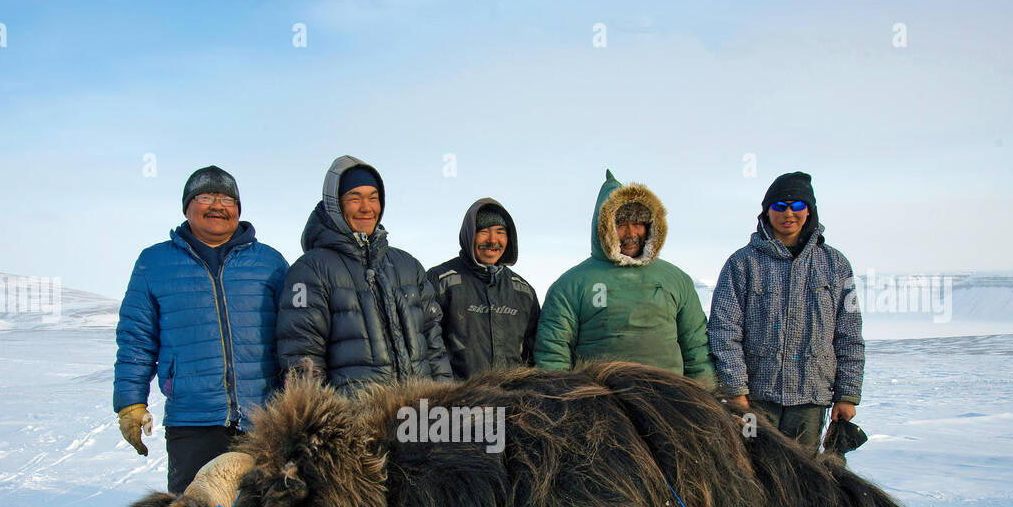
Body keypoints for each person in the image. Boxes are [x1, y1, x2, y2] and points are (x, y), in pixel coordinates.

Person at [114, 165, 288, 493]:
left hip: (264, 417)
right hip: (192, 420)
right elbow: (136, 339)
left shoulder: (270, 262)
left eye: (227, 199)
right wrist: (130, 402)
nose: (217, 206)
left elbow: (295, 333)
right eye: (205, 197)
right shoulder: (155, 263)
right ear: (187, 207)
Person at [707, 171, 864, 451]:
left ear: (809, 211)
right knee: (751, 472)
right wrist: (735, 392)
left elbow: (849, 335)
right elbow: (723, 329)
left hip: (810, 402)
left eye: (797, 206)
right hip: (755, 400)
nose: (788, 213)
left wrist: (847, 395)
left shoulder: (836, 265)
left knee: (804, 480)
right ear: (767, 212)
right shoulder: (742, 264)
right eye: (779, 206)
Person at [276, 156, 452, 391]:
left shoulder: (408, 266)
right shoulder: (310, 270)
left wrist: (447, 404)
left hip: (419, 417)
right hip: (357, 422)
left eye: (373, 198)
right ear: (336, 204)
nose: (366, 208)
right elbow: (302, 357)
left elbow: (434, 347)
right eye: (354, 198)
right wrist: (322, 423)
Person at [532, 170, 715, 388]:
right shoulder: (570, 285)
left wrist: (703, 400)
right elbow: (553, 354)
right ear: (603, 227)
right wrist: (562, 403)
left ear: (650, 226)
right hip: (600, 404)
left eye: (637, 223)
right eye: (620, 224)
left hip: (669, 403)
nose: (631, 233)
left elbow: (696, 348)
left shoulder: (676, 280)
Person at [427, 198, 540, 378]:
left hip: (511, 401)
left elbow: (532, 357)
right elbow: (426, 347)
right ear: (469, 235)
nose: (493, 240)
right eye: (484, 231)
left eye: (500, 232)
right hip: (457, 401)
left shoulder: (523, 292)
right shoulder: (440, 282)